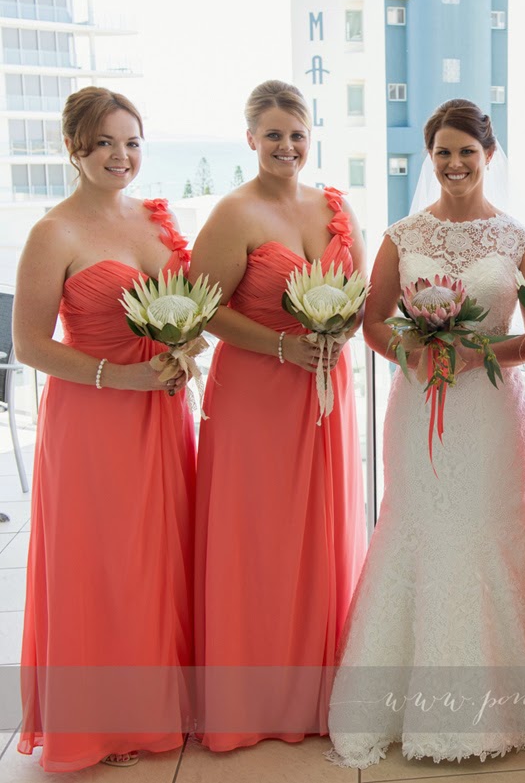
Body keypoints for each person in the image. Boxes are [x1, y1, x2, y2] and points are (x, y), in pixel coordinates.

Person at [327, 99, 525, 767]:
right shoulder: (402, 236)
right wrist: (415, 352)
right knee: (420, 525)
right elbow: (373, 323)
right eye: (444, 153)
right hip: (418, 407)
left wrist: (481, 354)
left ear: (489, 156)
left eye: (467, 152)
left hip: (490, 412)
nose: (455, 164)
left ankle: (505, 701)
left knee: (487, 525)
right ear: (430, 158)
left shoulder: (518, 240)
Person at [13, 87, 192, 770]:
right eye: (105, 143)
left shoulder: (155, 220)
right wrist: (118, 377)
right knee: (102, 563)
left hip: (161, 411)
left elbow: (188, 307)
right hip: (92, 418)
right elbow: (29, 344)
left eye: (132, 142)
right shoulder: (52, 233)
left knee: (159, 556)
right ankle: (102, 721)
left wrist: (184, 348)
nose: (122, 155)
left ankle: (160, 707)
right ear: (73, 148)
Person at [189, 80, 367, 750]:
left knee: (317, 533)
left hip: (323, 389)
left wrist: (340, 333)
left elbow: (359, 296)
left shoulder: (335, 206)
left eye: (296, 135)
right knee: (258, 538)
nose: (286, 147)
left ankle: (314, 694)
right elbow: (204, 309)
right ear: (250, 139)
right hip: (255, 395)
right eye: (272, 135)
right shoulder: (234, 213)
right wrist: (285, 346)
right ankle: (251, 700)